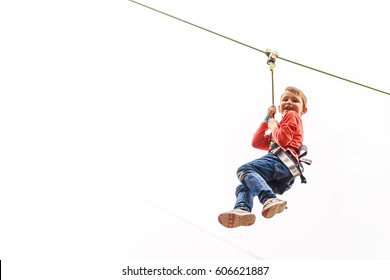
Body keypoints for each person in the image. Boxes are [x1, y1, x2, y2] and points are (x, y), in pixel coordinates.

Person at [218, 86, 308, 228]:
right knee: (245, 185)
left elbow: (283, 140)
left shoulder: (292, 116)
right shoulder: (277, 128)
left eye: (295, 100)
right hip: (285, 173)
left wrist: (272, 124)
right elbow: (256, 142)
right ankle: (242, 208)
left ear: (303, 110)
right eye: (285, 99)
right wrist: (267, 119)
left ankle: (269, 198)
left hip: (283, 160)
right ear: (279, 107)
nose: (289, 103)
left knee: (245, 169)